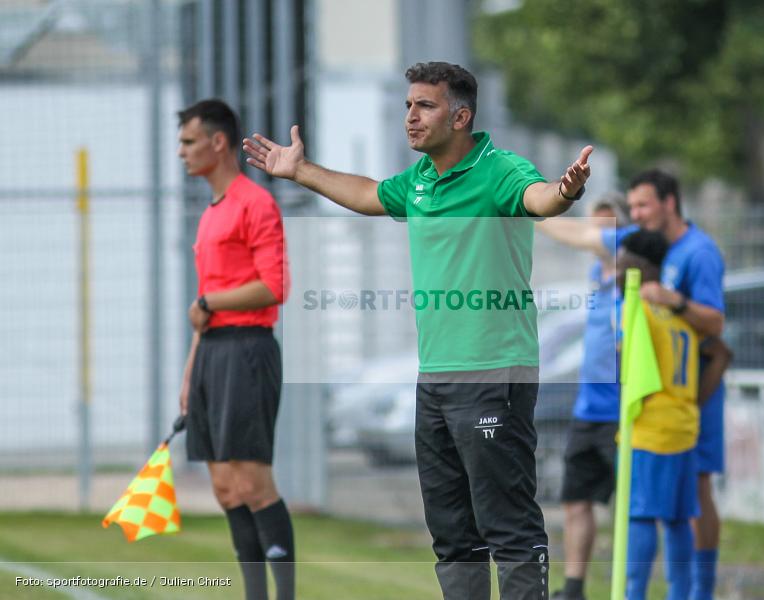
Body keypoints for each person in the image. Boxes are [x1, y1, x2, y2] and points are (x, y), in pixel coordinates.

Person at [242, 61, 592, 600]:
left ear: (461, 116)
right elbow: (369, 194)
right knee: (452, 533)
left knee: (508, 524)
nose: (410, 116)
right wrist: (301, 170)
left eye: (424, 106)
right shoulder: (421, 181)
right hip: (436, 379)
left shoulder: (499, 169)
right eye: (408, 105)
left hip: (494, 372)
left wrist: (565, 191)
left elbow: (538, 198)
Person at [176, 99, 293, 600]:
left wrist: (209, 301)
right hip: (212, 355)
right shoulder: (210, 213)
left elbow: (275, 285)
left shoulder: (255, 202)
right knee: (224, 488)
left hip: (248, 351)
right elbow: (206, 309)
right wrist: (190, 372)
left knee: (252, 483)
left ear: (217, 143)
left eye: (188, 141)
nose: (181, 152)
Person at [625, 169, 726, 600]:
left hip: (677, 404)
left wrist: (677, 301)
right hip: (678, 406)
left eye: (643, 205)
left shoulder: (699, 253)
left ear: (670, 202)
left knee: (686, 496)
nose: (636, 215)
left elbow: (717, 329)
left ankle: (698, 589)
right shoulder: (650, 248)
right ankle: (687, 592)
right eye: (631, 208)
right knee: (679, 507)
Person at [535, 193, 628, 600]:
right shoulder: (598, 273)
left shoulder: (630, 259)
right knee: (576, 499)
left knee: (628, 507)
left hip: (622, 410)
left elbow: (571, 233)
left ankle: (630, 585)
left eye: (605, 224)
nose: (597, 232)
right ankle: (574, 588)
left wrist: (528, 208)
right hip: (588, 408)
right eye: (596, 223)